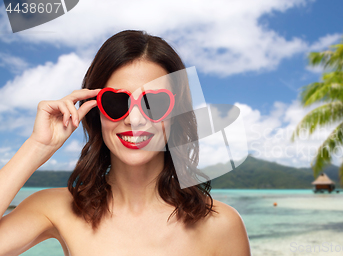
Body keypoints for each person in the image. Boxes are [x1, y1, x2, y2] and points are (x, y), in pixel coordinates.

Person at [0, 30, 251, 256]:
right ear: (96, 111)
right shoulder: (55, 208)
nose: (135, 119)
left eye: (153, 103)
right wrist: (38, 146)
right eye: (117, 102)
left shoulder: (222, 224)